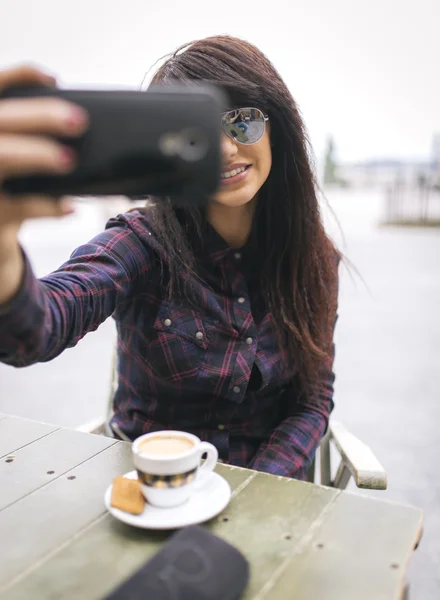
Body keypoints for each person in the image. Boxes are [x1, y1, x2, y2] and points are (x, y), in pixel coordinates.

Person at [0, 36, 339, 480]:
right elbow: (39, 329)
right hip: (151, 487)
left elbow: (311, 400)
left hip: (267, 493)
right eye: (198, 133)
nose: (226, 148)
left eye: (243, 122)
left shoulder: (312, 258)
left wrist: (258, 489)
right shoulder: (143, 242)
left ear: (278, 128)